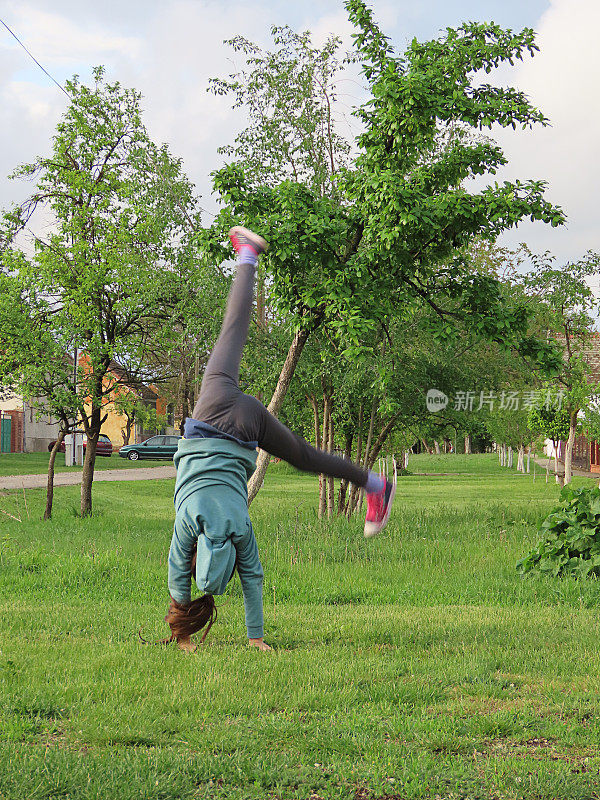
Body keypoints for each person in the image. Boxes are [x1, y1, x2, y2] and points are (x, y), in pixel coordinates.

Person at [165, 227, 396, 652]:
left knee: (305, 457)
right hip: (211, 409)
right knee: (231, 331)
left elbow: (253, 579)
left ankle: (375, 485)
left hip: (248, 426)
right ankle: (248, 255)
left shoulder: (240, 528)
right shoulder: (188, 524)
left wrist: (255, 638)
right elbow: (177, 575)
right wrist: (182, 633)